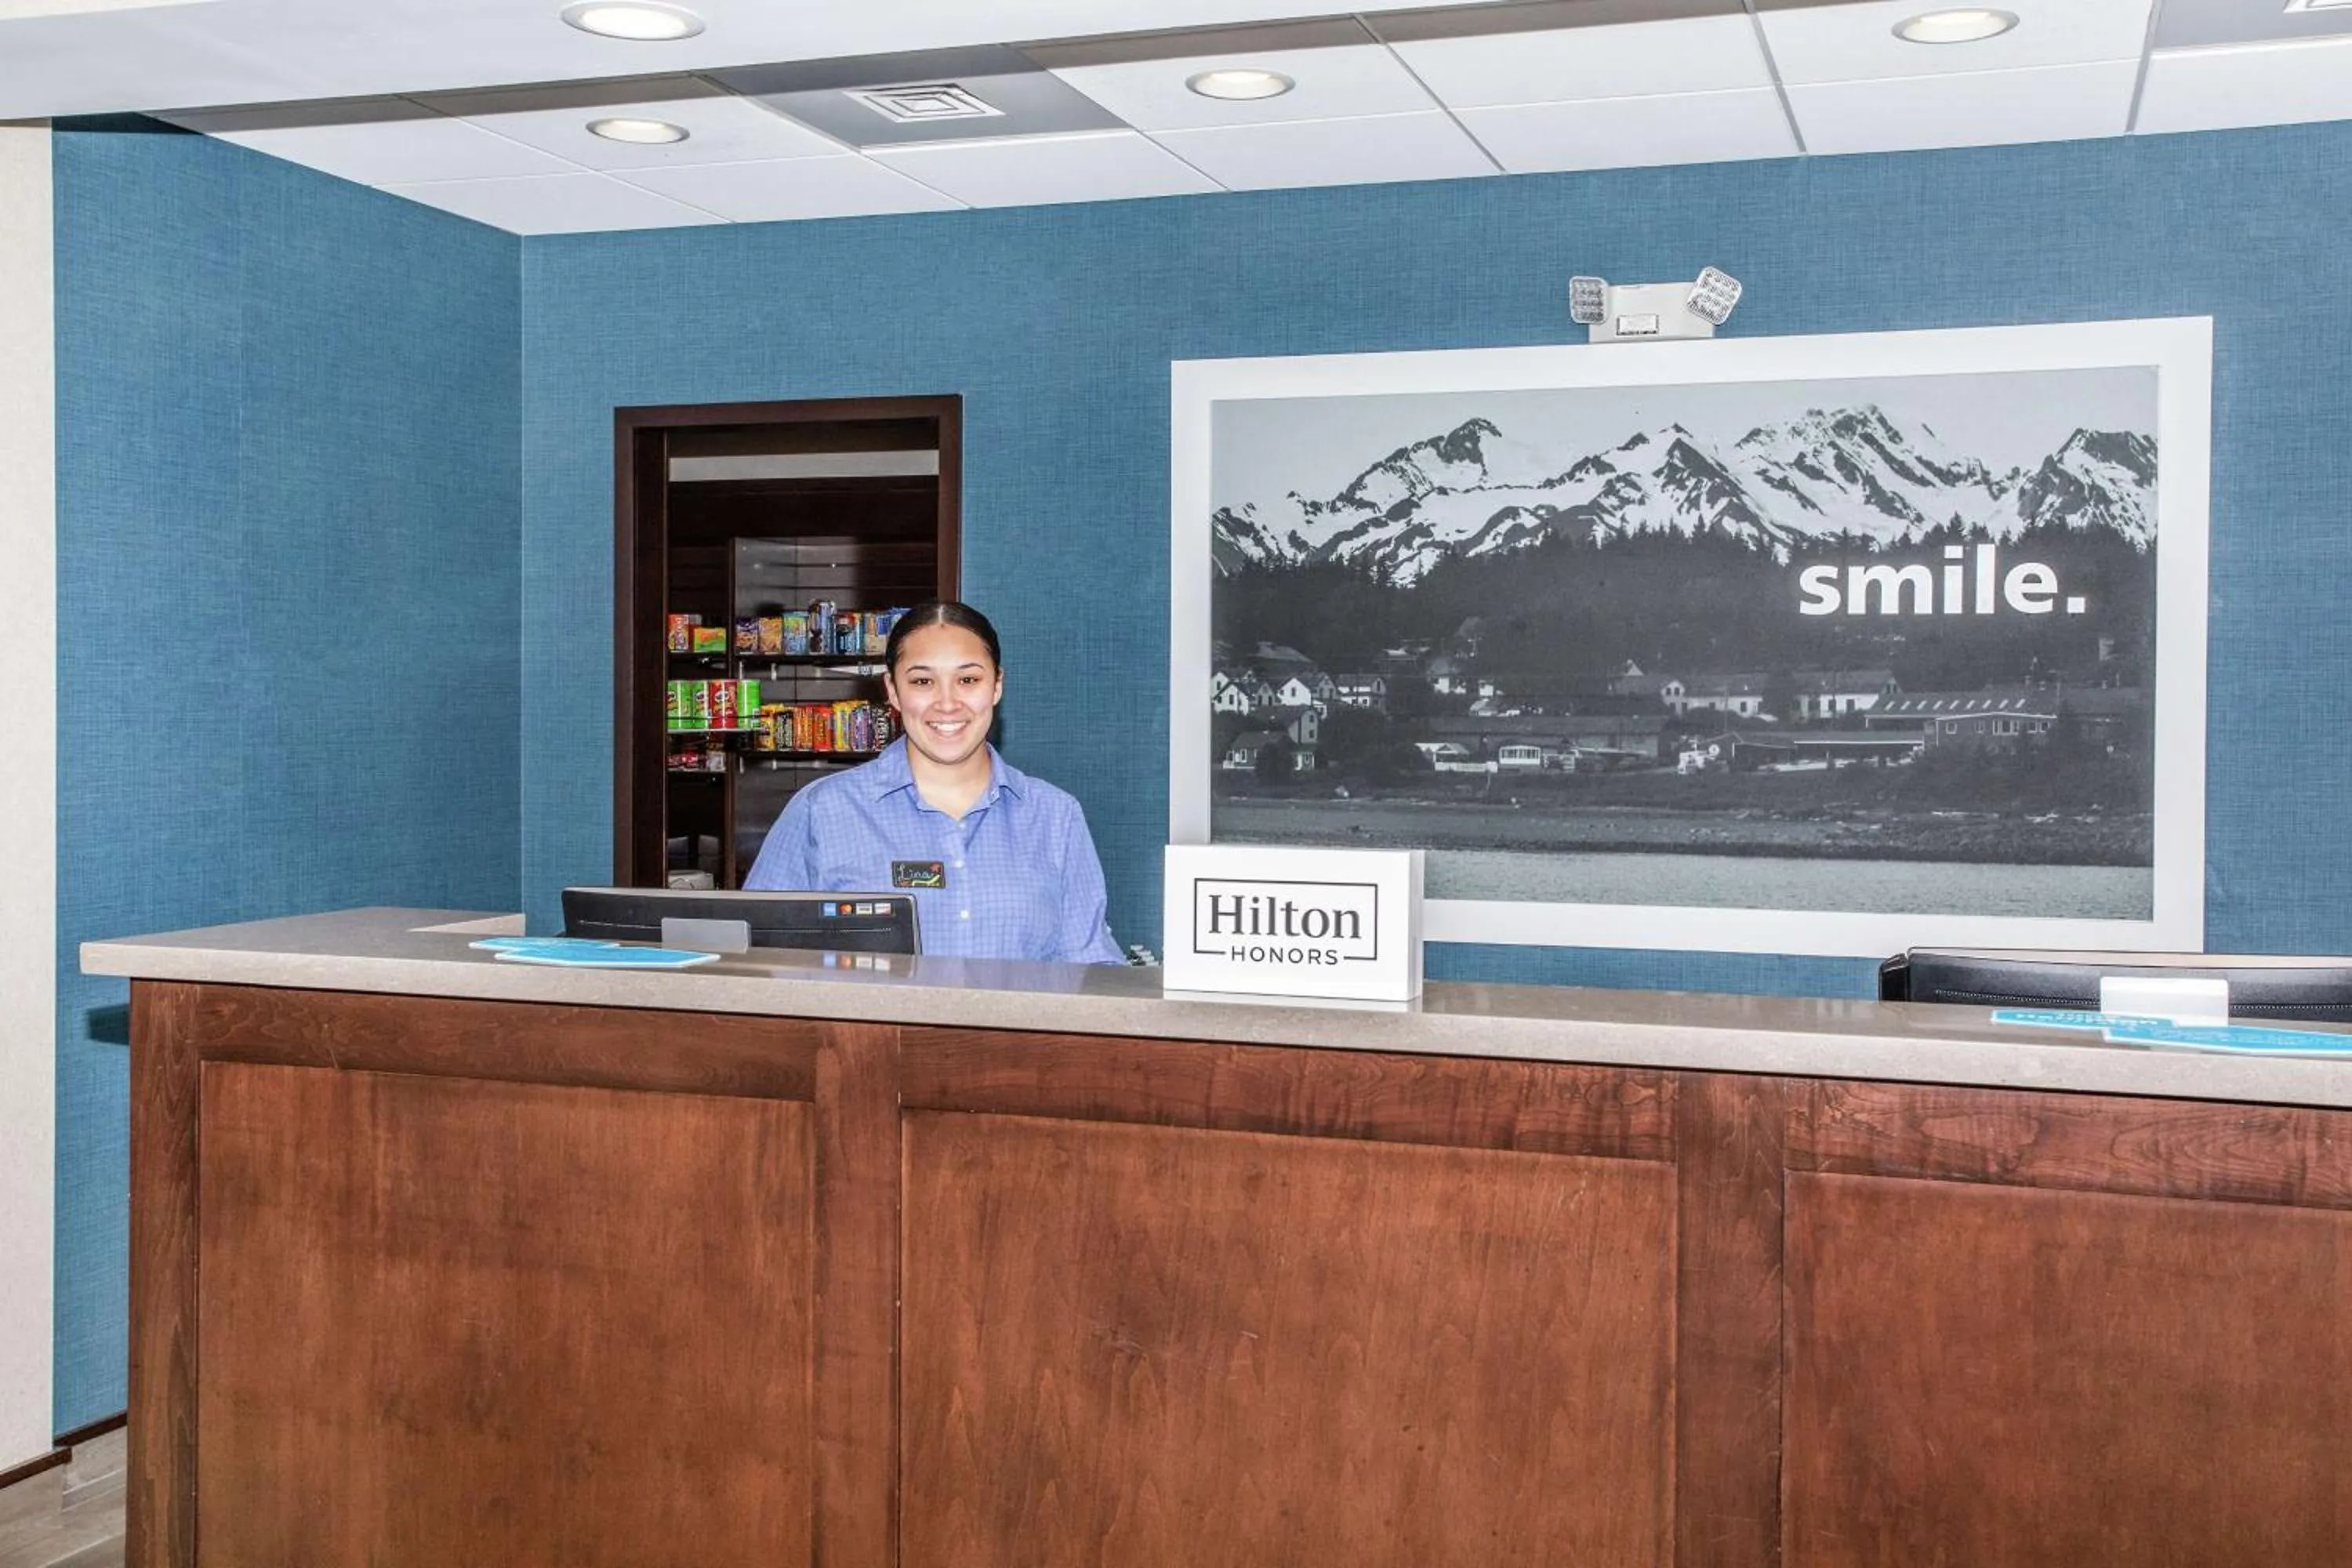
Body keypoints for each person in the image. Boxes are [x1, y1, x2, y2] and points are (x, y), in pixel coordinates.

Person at [742, 600, 1123, 964]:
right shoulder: (822, 811)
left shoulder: (1056, 817)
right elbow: (759, 962)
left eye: (968, 679)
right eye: (923, 681)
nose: (947, 703)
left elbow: (1090, 968)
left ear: (997, 686)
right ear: (892, 690)